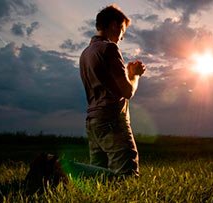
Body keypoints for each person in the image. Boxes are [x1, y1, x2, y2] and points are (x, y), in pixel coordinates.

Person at [79, 4, 145, 177]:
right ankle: (59, 168)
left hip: (93, 120)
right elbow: (127, 91)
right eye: (123, 30)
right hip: (111, 119)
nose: (122, 37)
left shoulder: (85, 53)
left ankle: (63, 171)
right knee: (127, 176)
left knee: (99, 176)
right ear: (115, 25)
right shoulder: (109, 48)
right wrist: (135, 75)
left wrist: (128, 73)